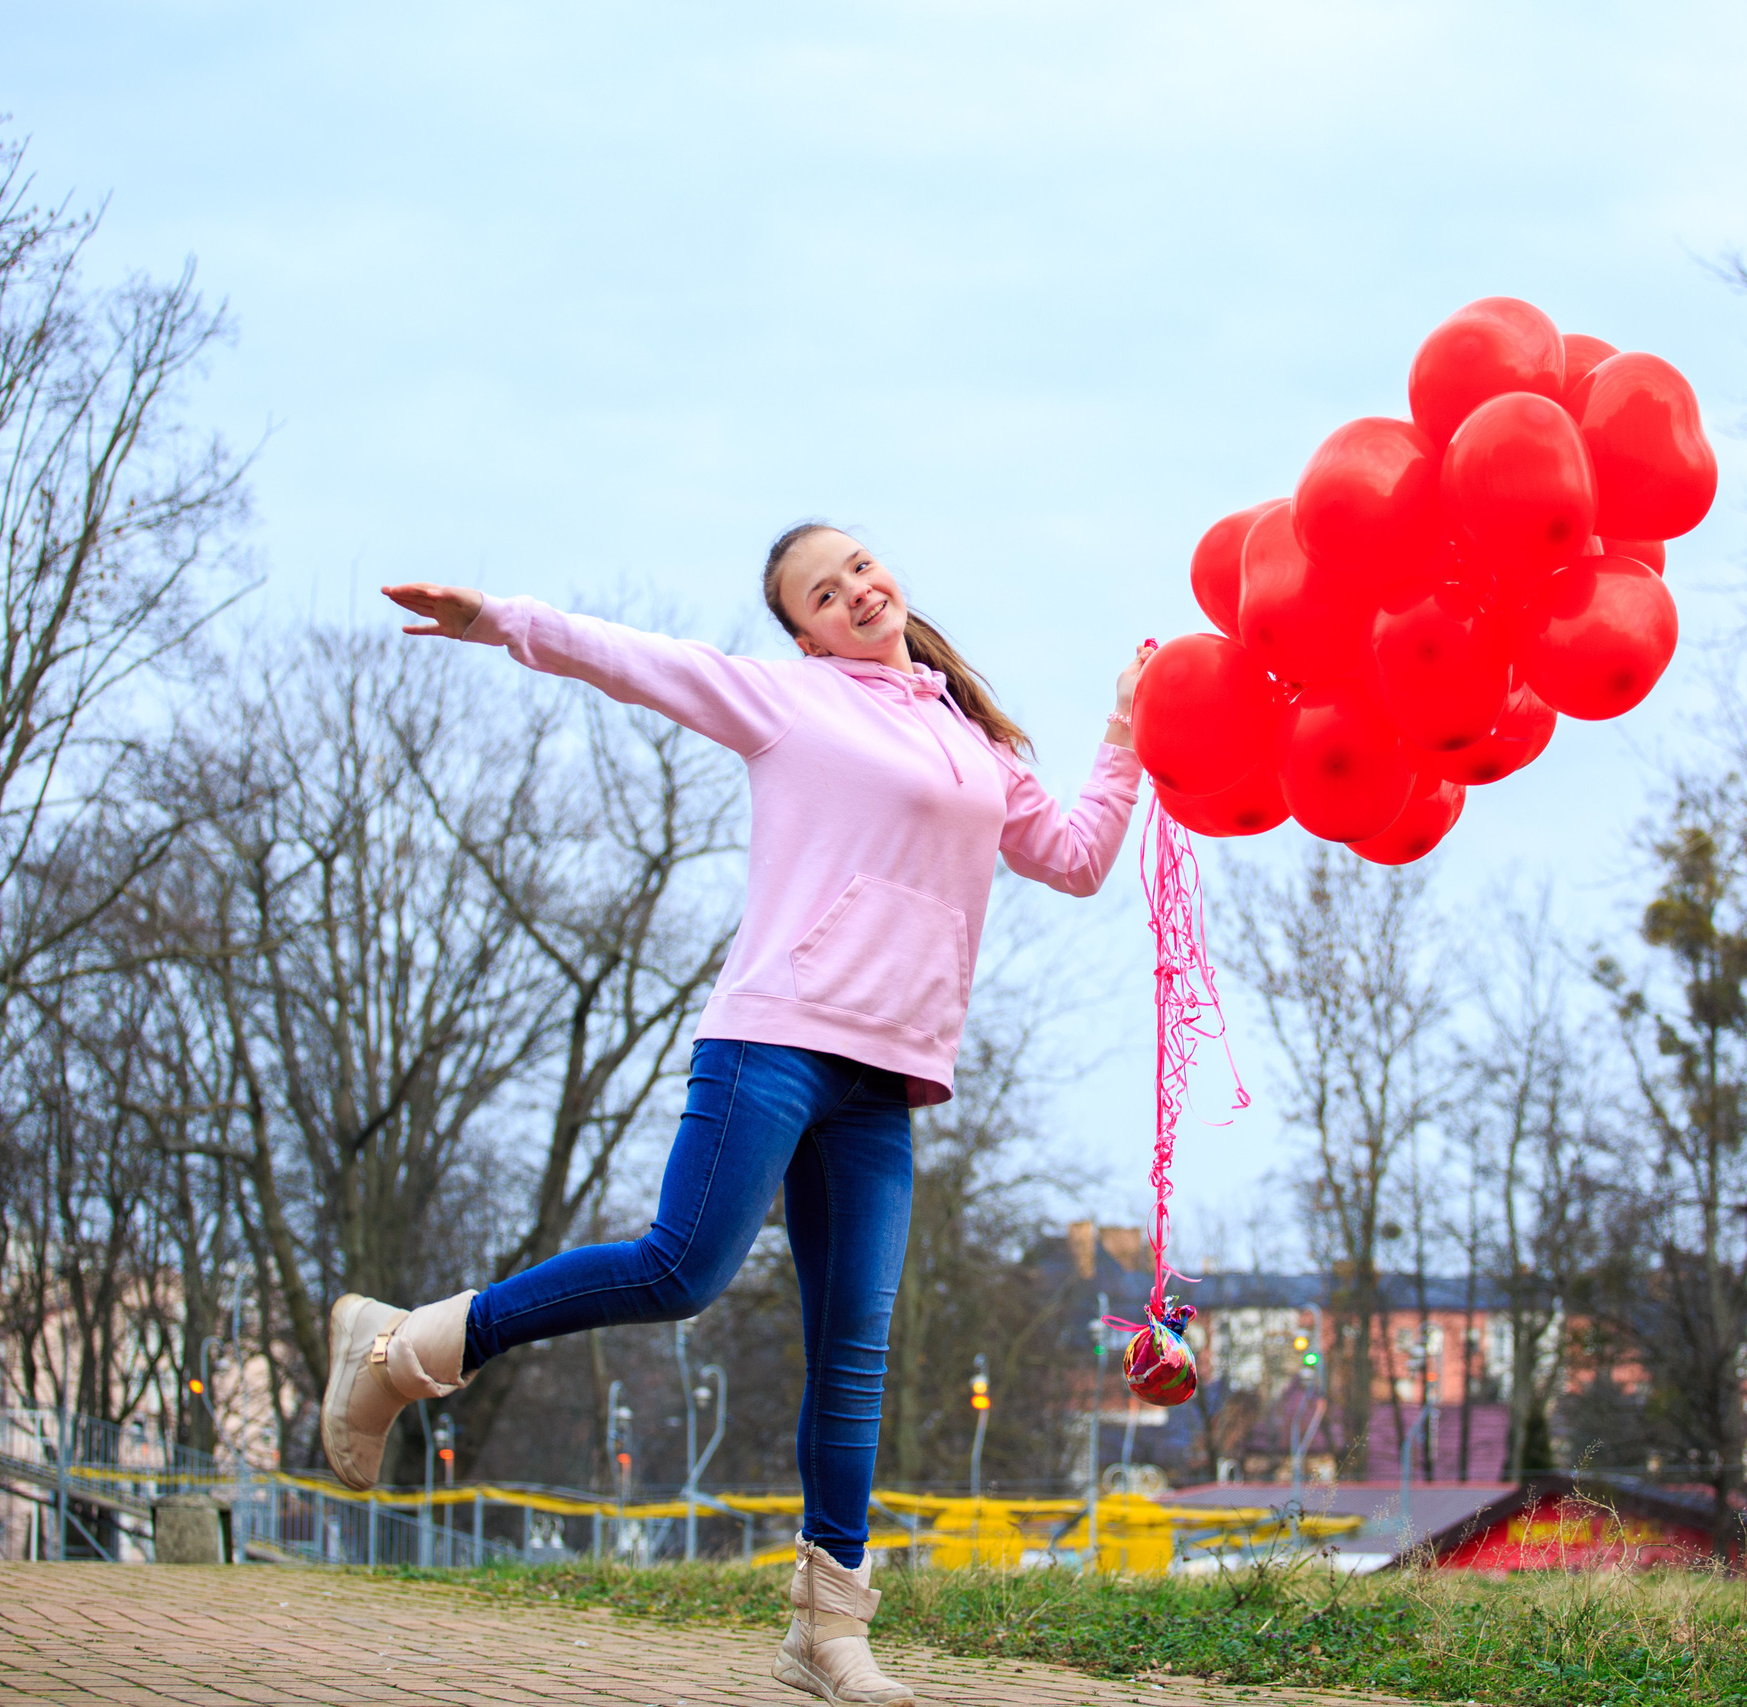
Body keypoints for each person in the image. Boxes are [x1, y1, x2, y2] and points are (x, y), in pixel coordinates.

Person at [328, 525, 1151, 1707]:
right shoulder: (787, 703)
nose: (858, 591)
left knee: (852, 1353)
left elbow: (1072, 858)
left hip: (884, 1079)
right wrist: (496, 617)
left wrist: (1125, 731)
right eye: (826, 592)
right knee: (680, 1268)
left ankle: (827, 1630)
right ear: (804, 629)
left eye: (861, 568)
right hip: (773, 1037)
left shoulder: (970, 735)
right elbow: (629, 658)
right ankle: (405, 1351)